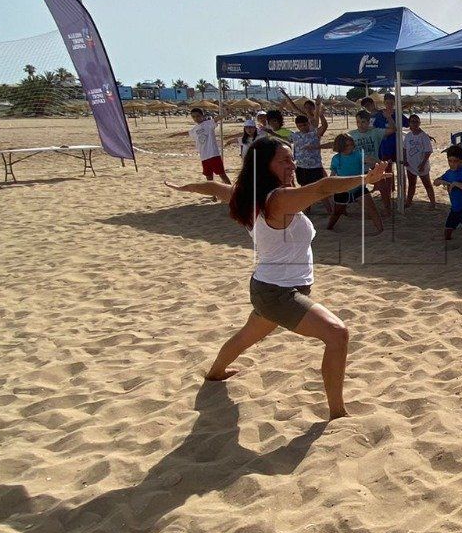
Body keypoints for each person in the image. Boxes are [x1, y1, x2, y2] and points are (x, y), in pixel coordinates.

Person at [164, 136, 389, 419]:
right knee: (337, 334)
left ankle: (215, 372)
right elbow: (322, 187)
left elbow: (213, 188)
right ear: (264, 166)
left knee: (246, 336)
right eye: (284, 160)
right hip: (278, 293)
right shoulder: (277, 199)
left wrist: (185, 187)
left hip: (267, 287)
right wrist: (365, 179)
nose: (292, 164)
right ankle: (337, 413)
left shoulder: (247, 196)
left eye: (292, 158)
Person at [324, 133, 383, 234]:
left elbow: (369, 159)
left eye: (351, 144)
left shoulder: (358, 154)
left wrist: (379, 163)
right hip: (342, 189)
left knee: (372, 209)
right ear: (341, 146)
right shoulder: (336, 158)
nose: (350, 147)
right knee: (337, 213)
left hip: (359, 187)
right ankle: (329, 229)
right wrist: (331, 188)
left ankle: (381, 231)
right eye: (347, 145)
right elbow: (333, 174)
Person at [288, 110, 329, 194]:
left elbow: (324, 125)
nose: (302, 127)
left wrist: (321, 115)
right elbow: (282, 138)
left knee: (318, 189)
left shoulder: (315, 133)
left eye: (304, 125)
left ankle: (325, 203)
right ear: (297, 126)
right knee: (304, 188)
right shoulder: (295, 135)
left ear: (308, 123)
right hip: (300, 167)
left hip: (315, 167)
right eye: (300, 126)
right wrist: (271, 132)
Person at [400, 114, 437, 207]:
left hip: (421, 164)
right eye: (412, 121)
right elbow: (404, 148)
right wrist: (405, 159)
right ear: (409, 123)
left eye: (417, 122)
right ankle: (409, 202)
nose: (415, 124)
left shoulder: (423, 136)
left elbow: (428, 152)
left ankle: (433, 203)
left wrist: (422, 164)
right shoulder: (408, 136)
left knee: (427, 184)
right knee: (411, 184)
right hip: (410, 164)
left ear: (419, 123)